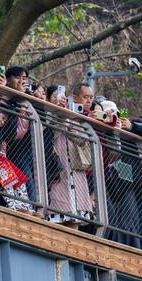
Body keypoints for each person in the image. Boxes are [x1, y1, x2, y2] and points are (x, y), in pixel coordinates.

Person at [45, 85, 93, 227]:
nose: (89, 101)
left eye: (91, 97)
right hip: (59, 168)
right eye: (86, 97)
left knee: (75, 217)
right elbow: (52, 128)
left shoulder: (86, 119)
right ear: (74, 97)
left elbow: (81, 138)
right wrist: (62, 112)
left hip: (76, 171)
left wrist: (69, 118)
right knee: (57, 215)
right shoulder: (55, 111)